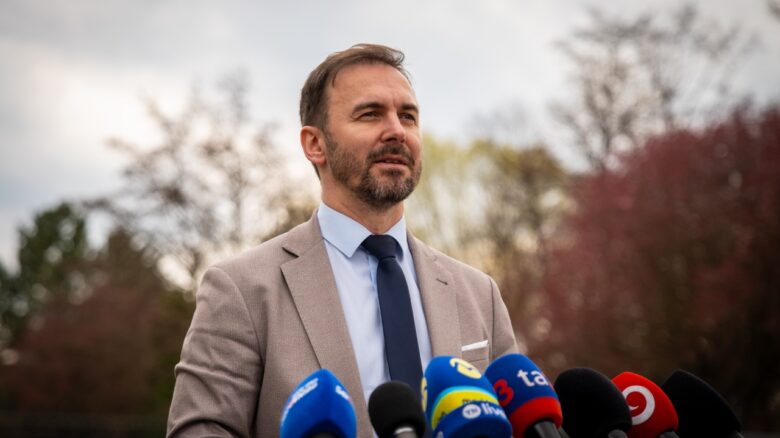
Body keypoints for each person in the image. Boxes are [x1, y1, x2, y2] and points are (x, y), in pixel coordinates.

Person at [167, 43, 517, 438]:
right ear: (315, 144)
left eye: (408, 116)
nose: (397, 131)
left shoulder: (479, 294)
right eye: (370, 114)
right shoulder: (242, 290)